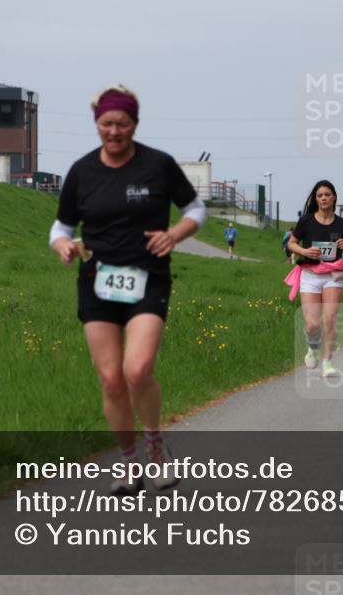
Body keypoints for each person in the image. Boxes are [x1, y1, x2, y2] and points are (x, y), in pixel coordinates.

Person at [49, 85, 206, 495]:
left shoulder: (158, 165)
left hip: (148, 276)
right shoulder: (82, 171)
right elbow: (61, 227)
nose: (114, 132)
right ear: (96, 124)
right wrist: (63, 244)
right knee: (110, 379)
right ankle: (128, 462)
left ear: (135, 124)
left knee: (137, 369)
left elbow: (195, 209)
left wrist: (174, 234)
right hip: (96, 280)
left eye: (122, 124)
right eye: (106, 124)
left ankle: (156, 445)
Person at [285, 180, 343, 377]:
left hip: (333, 275)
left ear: (334, 197)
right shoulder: (307, 221)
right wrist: (305, 250)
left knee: (330, 319)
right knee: (312, 324)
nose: (324, 198)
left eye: (327, 194)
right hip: (310, 274)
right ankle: (312, 346)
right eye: (320, 195)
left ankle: (327, 362)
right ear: (316, 199)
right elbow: (291, 244)